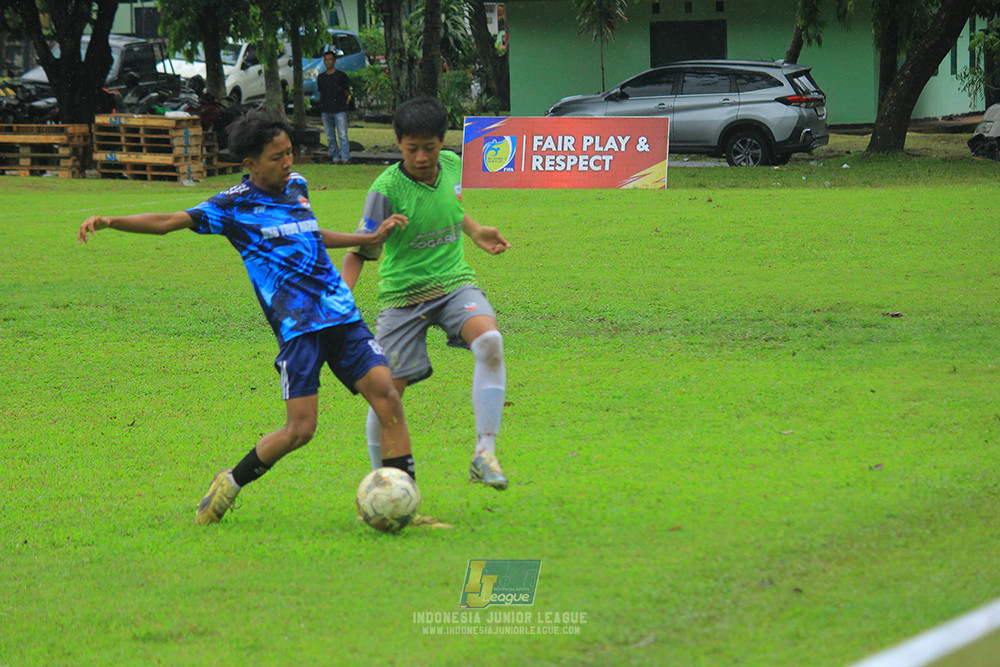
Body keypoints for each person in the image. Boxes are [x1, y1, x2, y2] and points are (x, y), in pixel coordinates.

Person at [76, 109, 435, 527]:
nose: (288, 163)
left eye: (289, 153)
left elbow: (310, 233)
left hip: (341, 314)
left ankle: (405, 506)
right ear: (250, 164)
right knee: (300, 430)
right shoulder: (231, 207)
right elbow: (168, 222)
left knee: (387, 397)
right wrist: (110, 221)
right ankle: (229, 482)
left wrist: (367, 239)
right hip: (298, 329)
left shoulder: (297, 186)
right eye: (277, 157)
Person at [336, 96, 512, 492]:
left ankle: (484, 454)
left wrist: (475, 230)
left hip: (453, 284)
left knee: (489, 341)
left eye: (428, 147)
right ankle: (384, 486)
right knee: (385, 394)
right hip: (403, 297)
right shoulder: (385, 190)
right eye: (411, 148)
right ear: (398, 144)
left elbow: (448, 207)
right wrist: (338, 299)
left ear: (441, 142)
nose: (420, 157)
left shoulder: (451, 166)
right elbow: (360, 249)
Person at [317, 50, 351, 164]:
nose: (328, 62)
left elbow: (347, 92)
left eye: (330, 59)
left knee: (342, 134)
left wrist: (344, 105)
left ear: (334, 61)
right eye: (326, 60)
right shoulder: (321, 77)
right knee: (330, 136)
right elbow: (321, 92)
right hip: (325, 109)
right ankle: (335, 157)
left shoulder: (341, 76)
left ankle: (345, 157)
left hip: (339, 109)